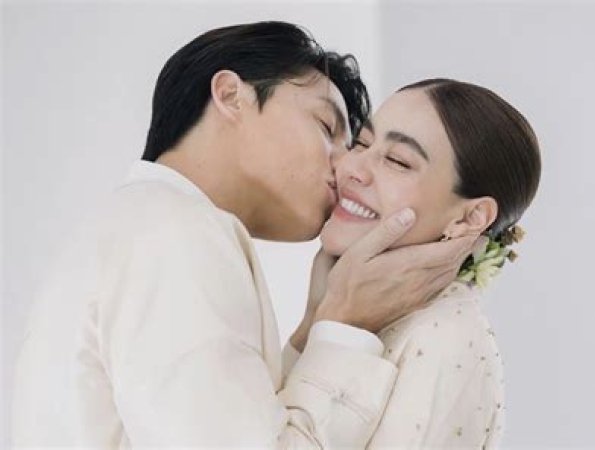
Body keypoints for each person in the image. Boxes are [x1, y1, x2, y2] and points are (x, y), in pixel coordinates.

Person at [11, 23, 479, 447]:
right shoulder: (176, 235)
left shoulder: (138, 225)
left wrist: (312, 329)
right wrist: (347, 327)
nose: (345, 166)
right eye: (326, 127)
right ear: (231, 95)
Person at [283, 79, 542, 448]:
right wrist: (315, 321)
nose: (352, 167)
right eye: (362, 143)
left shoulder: (445, 338)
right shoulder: (343, 303)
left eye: (397, 161)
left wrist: (341, 324)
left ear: (469, 218)